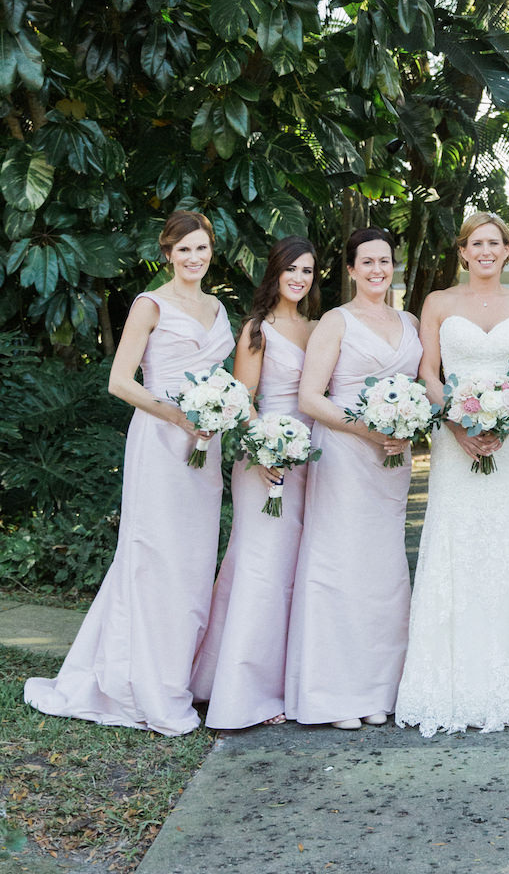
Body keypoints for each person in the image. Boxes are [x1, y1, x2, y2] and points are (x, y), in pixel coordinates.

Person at [25, 210, 233, 735]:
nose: (194, 258)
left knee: (191, 560)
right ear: (167, 253)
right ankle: (139, 679)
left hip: (205, 448)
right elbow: (119, 381)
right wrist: (177, 415)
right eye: (183, 249)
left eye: (201, 248)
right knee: (154, 555)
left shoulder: (217, 307)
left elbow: (221, 379)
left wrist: (217, 414)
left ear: (212, 251)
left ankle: (176, 673)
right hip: (162, 442)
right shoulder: (150, 304)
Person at [395, 211, 509, 736]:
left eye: (496, 243)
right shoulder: (439, 303)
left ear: (507, 250)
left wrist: (508, 421)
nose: (486, 251)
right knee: (457, 545)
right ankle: (448, 688)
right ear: (463, 251)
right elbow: (428, 370)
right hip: (454, 440)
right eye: (477, 243)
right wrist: (457, 424)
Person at [285, 227, 421, 729]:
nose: (377, 270)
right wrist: (367, 428)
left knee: (383, 571)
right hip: (345, 453)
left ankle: (379, 690)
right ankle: (335, 694)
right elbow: (310, 398)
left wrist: (407, 427)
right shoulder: (334, 322)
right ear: (350, 269)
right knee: (340, 565)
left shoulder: (409, 320)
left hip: (392, 458)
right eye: (366, 262)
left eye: (384, 261)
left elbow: (420, 387)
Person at [191, 236, 320, 729]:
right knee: (263, 566)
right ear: (275, 272)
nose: (299, 278)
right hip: (263, 454)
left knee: (296, 568)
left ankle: (290, 680)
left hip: (311, 455)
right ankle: (245, 691)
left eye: (307, 271)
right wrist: (263, 452)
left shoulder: (317, 328)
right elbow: (243, 401)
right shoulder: (256, 330)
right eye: (292, 269)